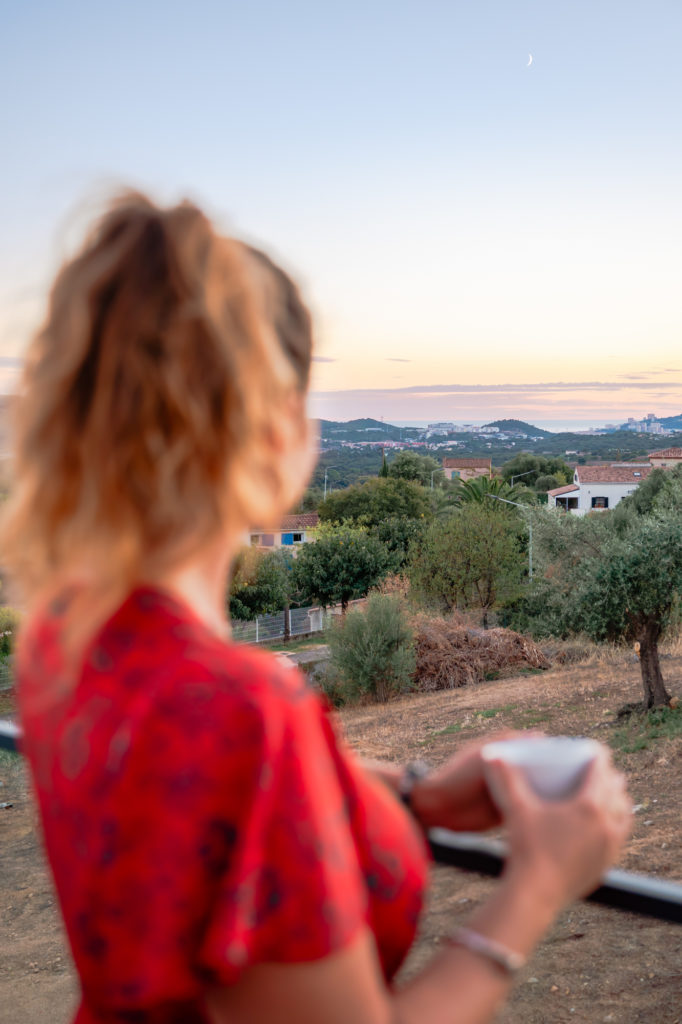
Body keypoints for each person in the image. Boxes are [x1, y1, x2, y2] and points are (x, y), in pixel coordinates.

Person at [4, 193, 632, 1024]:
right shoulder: (242, 709)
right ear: (277, 437)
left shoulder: (64, 635)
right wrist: (539, 886)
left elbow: (199, 802)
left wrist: (412, 792)